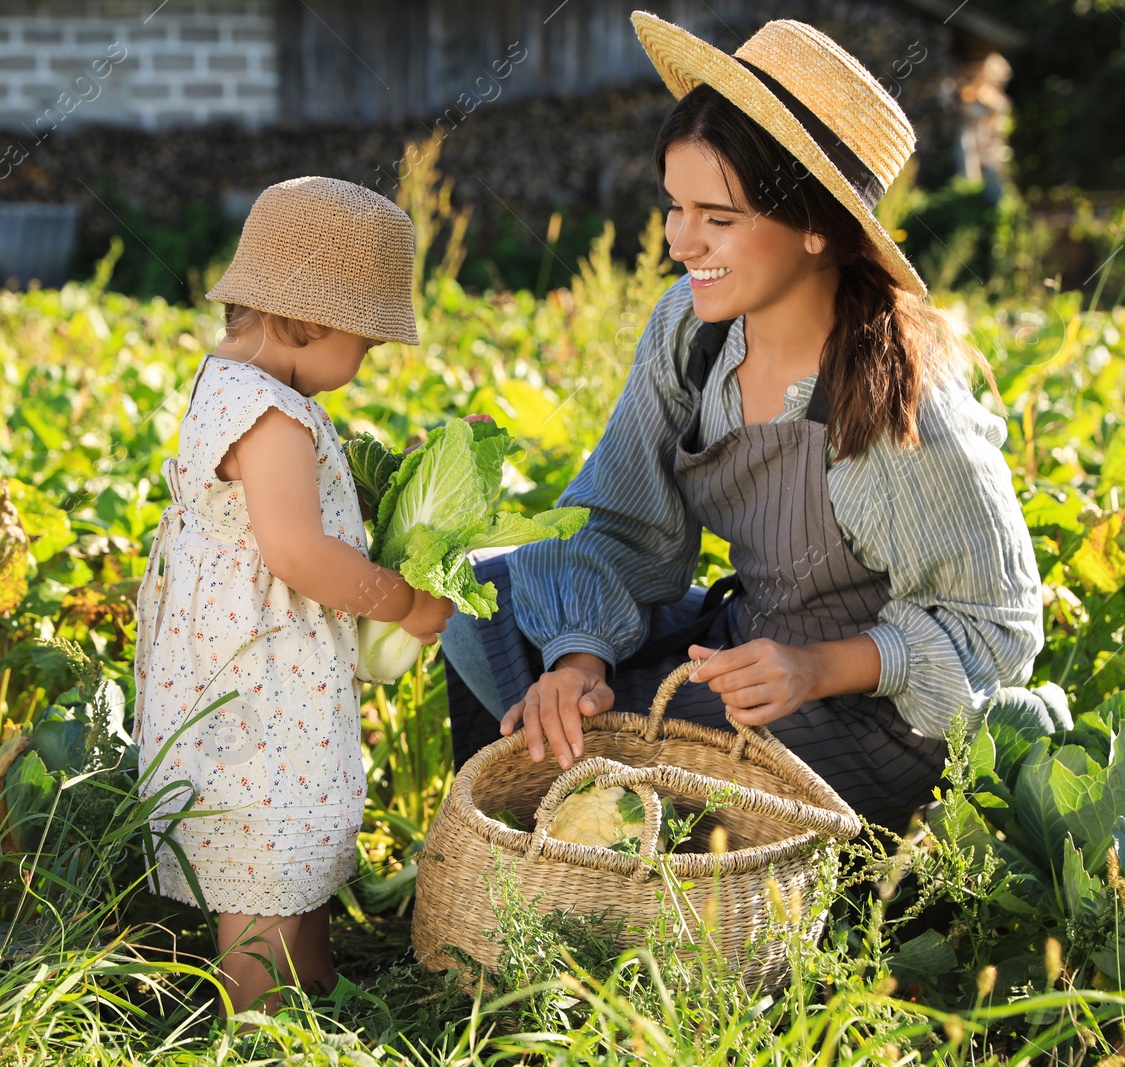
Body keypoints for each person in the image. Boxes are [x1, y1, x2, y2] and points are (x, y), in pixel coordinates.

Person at [440, 15, 1044, 834]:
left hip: (872, 715)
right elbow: (621, 524)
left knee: (661, 751)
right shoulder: (691, 329)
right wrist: (578, 662)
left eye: (717, 218)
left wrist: (815, 667)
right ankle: (515, 849)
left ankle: (601, 847)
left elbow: (997, 628)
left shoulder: (903, 398)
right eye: (674, 207)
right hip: (745, 655)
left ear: (816, 227)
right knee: (487, 599)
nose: (683, 242)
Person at [133, 177, 454, 1016]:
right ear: (310, 320)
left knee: (292, 844)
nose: (369, 361)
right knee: (266, 851)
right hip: (258, 691)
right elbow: (297, 553)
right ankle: (260, 1022)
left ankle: (311, 988)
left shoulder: (227, 384)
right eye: (369, 342)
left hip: (259, 676)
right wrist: (403, 603)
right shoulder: (271, 416)